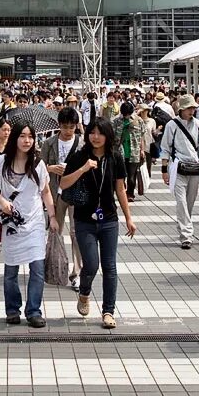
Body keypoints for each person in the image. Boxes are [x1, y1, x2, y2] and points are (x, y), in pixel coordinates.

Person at [59, 118, 138, 329]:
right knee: (91, 264)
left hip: (109, 219)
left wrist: (129, 217)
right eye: (92, 132)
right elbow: (63, 183)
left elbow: (120, 189)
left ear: (107, 135)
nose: (96, 137)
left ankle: (108, 311)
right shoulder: (79, 156)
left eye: (100, 133)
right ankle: (84, 292)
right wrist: (83, 169)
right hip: (84, 219)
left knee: (110, 266)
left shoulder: (115, 157)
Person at [0, 122, 56, 327]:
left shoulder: (38, 163)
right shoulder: (2, 162)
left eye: (30, 137)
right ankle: (12, 309)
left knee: (37, 268)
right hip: (12, 225)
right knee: (11, 270)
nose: (27, 141)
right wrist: (2, 202)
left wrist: (52, 216)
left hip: (34, 222)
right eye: (22, 136)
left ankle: (34, 311)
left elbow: (45, 191)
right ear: (15, 138)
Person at [160, 94, 199, 249]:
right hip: (178, 167)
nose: (192, 111)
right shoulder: (172, 125)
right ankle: (186, 235)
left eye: (193, 108)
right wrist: (164, 170)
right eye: (189, 108)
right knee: (181, 202)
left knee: (189, 203)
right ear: (181, 109)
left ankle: (184, 227)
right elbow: (165, 148)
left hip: (195, 168)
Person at [41, 107, 84, 286]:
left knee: (76, 232)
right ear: (59, 125)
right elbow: (39, 166)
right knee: (55, 230)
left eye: (72, 127)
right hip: (55, 193)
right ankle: (55, 265)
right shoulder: (49, 143)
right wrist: (51, 168)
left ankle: (77, 270)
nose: (68, 131)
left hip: (76, 193)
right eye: (65, 127)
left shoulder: (82, 144)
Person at [113, 101, 148, 201]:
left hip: (134, 152)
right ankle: (122, 193)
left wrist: (142, 150)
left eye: (128, 114)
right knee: (121, 176)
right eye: (125, 114)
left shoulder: (138, 120)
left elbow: (142, 136)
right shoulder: (116, 121)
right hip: (120, 152)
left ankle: (130, 194)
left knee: (132, 177)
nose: (127, 116)